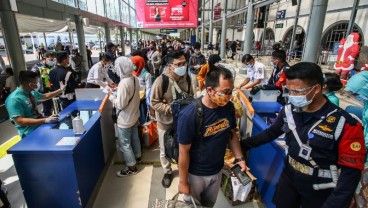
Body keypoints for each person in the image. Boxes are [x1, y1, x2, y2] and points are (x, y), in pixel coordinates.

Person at [241, 62, 366, 208]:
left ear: (317, 89)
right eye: (289, 90)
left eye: (298, 91)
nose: (292, 96)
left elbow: (350, 173)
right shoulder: (289, 111)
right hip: (289, 182)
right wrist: (241, 145)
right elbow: (271, 133)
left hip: (320, 190)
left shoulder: (345, 124)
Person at [178, 66, 246, 207]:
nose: (229, 96)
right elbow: (183, 151)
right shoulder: (190, 115)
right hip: (196, 174)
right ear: (210, 90)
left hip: (217, 170)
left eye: (230, 91)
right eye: (225, 92)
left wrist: (240, 159)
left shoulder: (228, 107)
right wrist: (183, 182)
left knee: (209, 204)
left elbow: (231, 134)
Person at [150, 50, 193, 188]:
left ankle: (184, 170)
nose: (182, 66)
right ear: (170, 66)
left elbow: (192, 96)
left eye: (184, 63)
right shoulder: (161, 81)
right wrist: (171, 109)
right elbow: (154, 102)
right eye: (178, 64)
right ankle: (167, 172)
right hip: (165, 122)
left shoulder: (188, 78)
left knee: (184, 148)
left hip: (183, 122)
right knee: (164, 150)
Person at [5, 71, 66, 138]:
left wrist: (60, 90)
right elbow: (20, 120)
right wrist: (45, 120)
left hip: (40, 124)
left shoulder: (31, 92)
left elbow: (45, 96)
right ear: (30, 84)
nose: (37, 85)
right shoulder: (14, 99)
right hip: (29, 132)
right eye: (36, 83)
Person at [109, 56, 141, 177]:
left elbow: (120, 104)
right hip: (134, 115)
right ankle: (137, 157)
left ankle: (131, 168)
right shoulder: (134, 78)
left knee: (125, 143)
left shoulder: (123, 83)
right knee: (135, 137)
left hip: (125, 119)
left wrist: (112, 97)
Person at [31, 52, 56, 116]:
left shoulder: (53, 66)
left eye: (53, 59)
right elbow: (32, 79)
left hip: (53, 89)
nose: (52, 61)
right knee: (47, 108)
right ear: (44, 59)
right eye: (50, 60)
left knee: (55, 107)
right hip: (44, 91)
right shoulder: (37, 67)